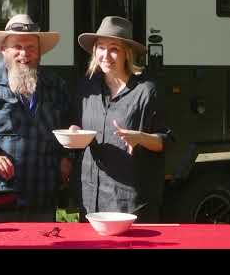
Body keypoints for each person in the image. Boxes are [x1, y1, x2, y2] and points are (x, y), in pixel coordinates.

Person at [0, 14, 71, 222]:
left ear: (39, 51)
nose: (24, 53)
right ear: (3, 49)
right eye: (17, 46)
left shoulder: (56, 85)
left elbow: (68, 128)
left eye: (31, 47)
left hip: (43, 191)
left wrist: (66, 158)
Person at [69, 16, 173, 223]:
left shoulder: (146, 91)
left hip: (128, 201)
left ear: (127, 53)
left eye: (114, 48)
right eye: (100, 47)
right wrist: (74, 131)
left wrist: (140, 138)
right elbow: (77, 124)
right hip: (90, 197)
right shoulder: (86, 88)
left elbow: (167, 141)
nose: (106, 55)